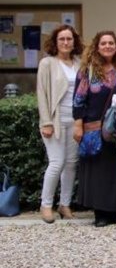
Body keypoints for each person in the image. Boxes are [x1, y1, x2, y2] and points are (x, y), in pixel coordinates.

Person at [72, 31, 116, 227]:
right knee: (97, 172)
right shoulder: (87, 71)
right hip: (93, 128)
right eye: (103, 43)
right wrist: (78, 124)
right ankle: (100, 214)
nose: (107, 46)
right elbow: (79, 99)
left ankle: (114, 211)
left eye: (111, 43)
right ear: (97, 46)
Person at [36, 25, 83, 223]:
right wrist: (46, 122)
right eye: (62, 39)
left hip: (74, 120)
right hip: (54, 120)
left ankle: (64, 205)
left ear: (74, 42)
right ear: (55, 42)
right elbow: (42, 94)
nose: (66, 42)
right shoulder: (47, 63)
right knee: (57, 163)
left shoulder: (79, 63)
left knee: (71, 164)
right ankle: (45, 205)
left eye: (69, 39)